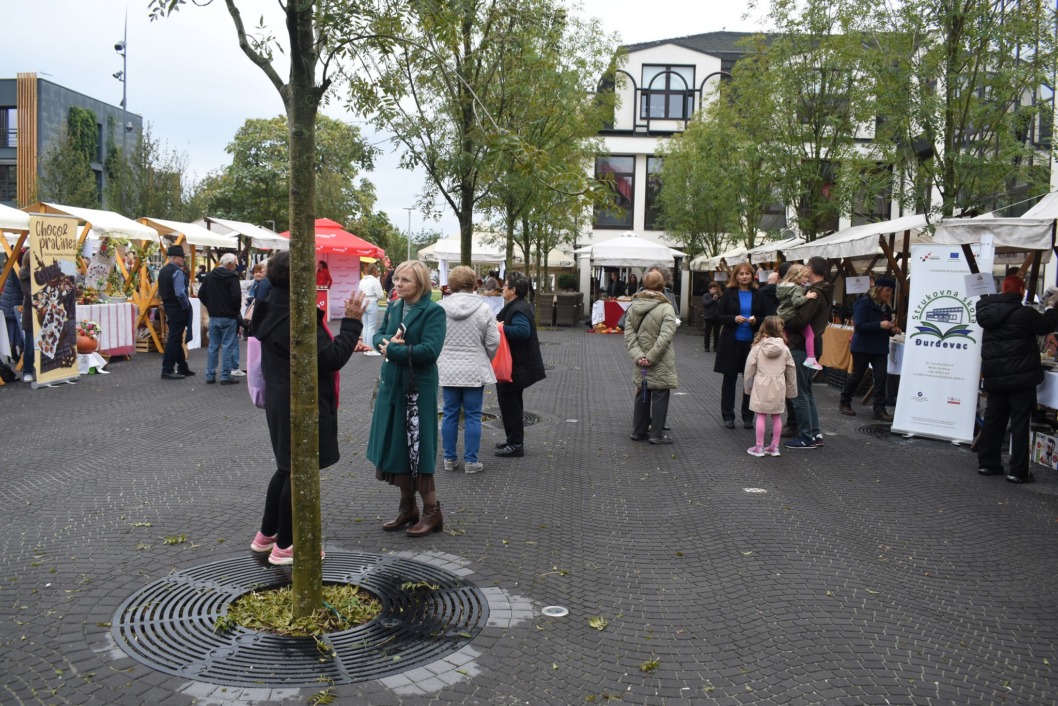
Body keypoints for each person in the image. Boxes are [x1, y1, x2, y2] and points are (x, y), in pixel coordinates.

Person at [250, 251, 365, 565]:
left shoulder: (272, 304)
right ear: (298, 276)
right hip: (299, 401)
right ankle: (287, 545)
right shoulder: (295, 314)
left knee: (287, 467)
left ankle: (268, 534)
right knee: (299, 470)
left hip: (280, 397)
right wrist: (352, 325)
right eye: (312, 270)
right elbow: (329, 358)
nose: (317, 275)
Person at [368, 260, 447, 536]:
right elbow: (379, 335)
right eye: (396, 279)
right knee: (399, 445)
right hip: (392, 385)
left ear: (420, 283)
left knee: (418, 446)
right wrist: (385, 343)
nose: (398, 284)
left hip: (417, 389)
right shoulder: (394, 307)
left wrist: (393, 350)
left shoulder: (434, 311)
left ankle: (432, 512)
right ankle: (407, 508)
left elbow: (430, 351)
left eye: (405, 280)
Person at [976, 275, 1058, 484]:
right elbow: (1047, 324)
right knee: (1020, 423)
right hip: (1021, 377)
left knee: (994, 420)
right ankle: (1018, 471)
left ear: (1003, 290)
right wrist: (1051, 307)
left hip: (996, 374)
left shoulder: (988, 312)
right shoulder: (1024, 313)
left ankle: (987, 463)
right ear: (1021, 290)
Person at [438, 266, 500, 474]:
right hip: (474, 369)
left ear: (451, 284)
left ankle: (449, 458)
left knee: (449, 414)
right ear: (474, 284)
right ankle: (471, 461)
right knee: (473, 415)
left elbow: (434, 338)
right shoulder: (484, 309)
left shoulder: (440, 308)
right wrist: (486, 357)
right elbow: (493, 341)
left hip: (448, 369)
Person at [783, 256, 834, 449]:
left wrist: (782, 321)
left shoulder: (815, 293)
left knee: (799, 393)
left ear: (810, 268)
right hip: (812, 346)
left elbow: (801, 320)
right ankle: (814, 433)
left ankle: (806, 436)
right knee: (807, 391)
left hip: (802, 346)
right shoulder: (824, 291)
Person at [495, 271, 547, 457]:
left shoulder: (518, 308)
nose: (502, 287)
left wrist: (501, 328)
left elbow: (522, 331)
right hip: (514, 365)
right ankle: (512, 440)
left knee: (511, 405)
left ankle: (516, 444)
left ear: (513, 290)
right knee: (509, 403)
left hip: (515, 367)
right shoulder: (519, 306)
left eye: (505, 284)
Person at [625, 269, 679, 445]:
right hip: (660, 360)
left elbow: (629, 335)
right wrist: (652, 357)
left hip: (641, 361)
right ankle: (656, 433)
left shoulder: (633, 307)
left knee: (642, 392)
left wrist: (639, 357)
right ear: (662, 286)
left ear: (644, 285)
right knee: (660, 393)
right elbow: (666, 336)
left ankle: (639, 431)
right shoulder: (666, 307)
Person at [839, 277, 901, 421]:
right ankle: (844, 401)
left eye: (891, 291)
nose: (889, 294)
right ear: (879, 289)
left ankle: (879, 409)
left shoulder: (886, 307)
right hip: (863, 346)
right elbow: (859, 326)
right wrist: (880, 325)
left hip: (880, 347)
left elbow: (886, 326)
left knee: (881, 377)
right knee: (857, 375)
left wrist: (892, 330)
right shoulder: (863, 302)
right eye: (887, 290)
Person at [714, 262, 765, 429]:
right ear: (736, 276)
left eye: (747, 273)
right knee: (729, 379)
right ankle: (728, 416)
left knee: (749, 380)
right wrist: (733, 319)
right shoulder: (729, 293)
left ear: (752, 276)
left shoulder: (758, 294)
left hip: (751, 344)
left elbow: (766, 317)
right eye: (741, 274)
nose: (744, 276)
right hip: (731, 342)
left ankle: (748, 416)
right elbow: (718, 316)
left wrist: (756, 321)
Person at [744, 316, 797, 457]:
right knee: (777, 416)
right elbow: (791, 370)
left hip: (761, 385)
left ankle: (759, 447)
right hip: (778, 386)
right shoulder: (785, 348)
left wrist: (748, 387)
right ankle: (774, 447)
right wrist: (791, 390)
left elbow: (749, 369)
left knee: (761, 415)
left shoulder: (757, 347)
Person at [199, 253, 243, 385]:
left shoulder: (209, 276)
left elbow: (201, 294)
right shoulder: (232, 277)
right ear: (229, 264)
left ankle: (210, 375)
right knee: (227, 346)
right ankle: (225, 376)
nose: (235, 266)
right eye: (234, 264)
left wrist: (211, 306)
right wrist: (235, 310)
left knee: (213, 346)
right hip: (229, 317)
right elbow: (236, 297)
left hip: (214, 316)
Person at [158, 245, 194, 380]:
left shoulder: (163, 271)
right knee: (174, 339)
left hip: (169, 306)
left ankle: (182, 366)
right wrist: (186, 306)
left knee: (176, 337)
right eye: (181, 257)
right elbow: (180, 293)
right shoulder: (177, 272)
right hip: (177, 308)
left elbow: (161, 291)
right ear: (174, 257)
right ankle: (167, 369)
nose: (183, 259)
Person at [776, 264, 823, 370]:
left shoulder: (782, 286)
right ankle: (810, 358)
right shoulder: (796, 288)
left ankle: (781, 356)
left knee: (785, 337)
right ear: (797, 277)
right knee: (810, 335)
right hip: (792, 315)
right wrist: (806, 297)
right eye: (805, 277)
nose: (807, 279)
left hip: (783, 316)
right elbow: (796, 301)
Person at [358, 263, 385, 356]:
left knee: (365, 326)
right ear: (375, 271)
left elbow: (359, 292)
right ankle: (370, 349)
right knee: (371, 327)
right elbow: (380, 294)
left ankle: (365, 349)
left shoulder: (362, 280)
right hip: (372, 302)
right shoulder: (375, 281)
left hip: (363, 302)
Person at [18, 248, 33, 382]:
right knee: (30, 345)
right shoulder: (24, 273)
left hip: (47, 311)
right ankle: (27, 371)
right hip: (31, 312)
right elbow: (27, 292)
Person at [701, 281, 722, 352]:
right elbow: (705, 304)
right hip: (708, 316)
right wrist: (713, 299)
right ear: (709, 289)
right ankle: (706, 346)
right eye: (713, 289)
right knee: (708, 332)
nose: (715, 290)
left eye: (716, 289)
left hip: (717, 316)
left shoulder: (719, 296)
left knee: (717, 332)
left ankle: (716, 347)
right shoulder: (705, 295)